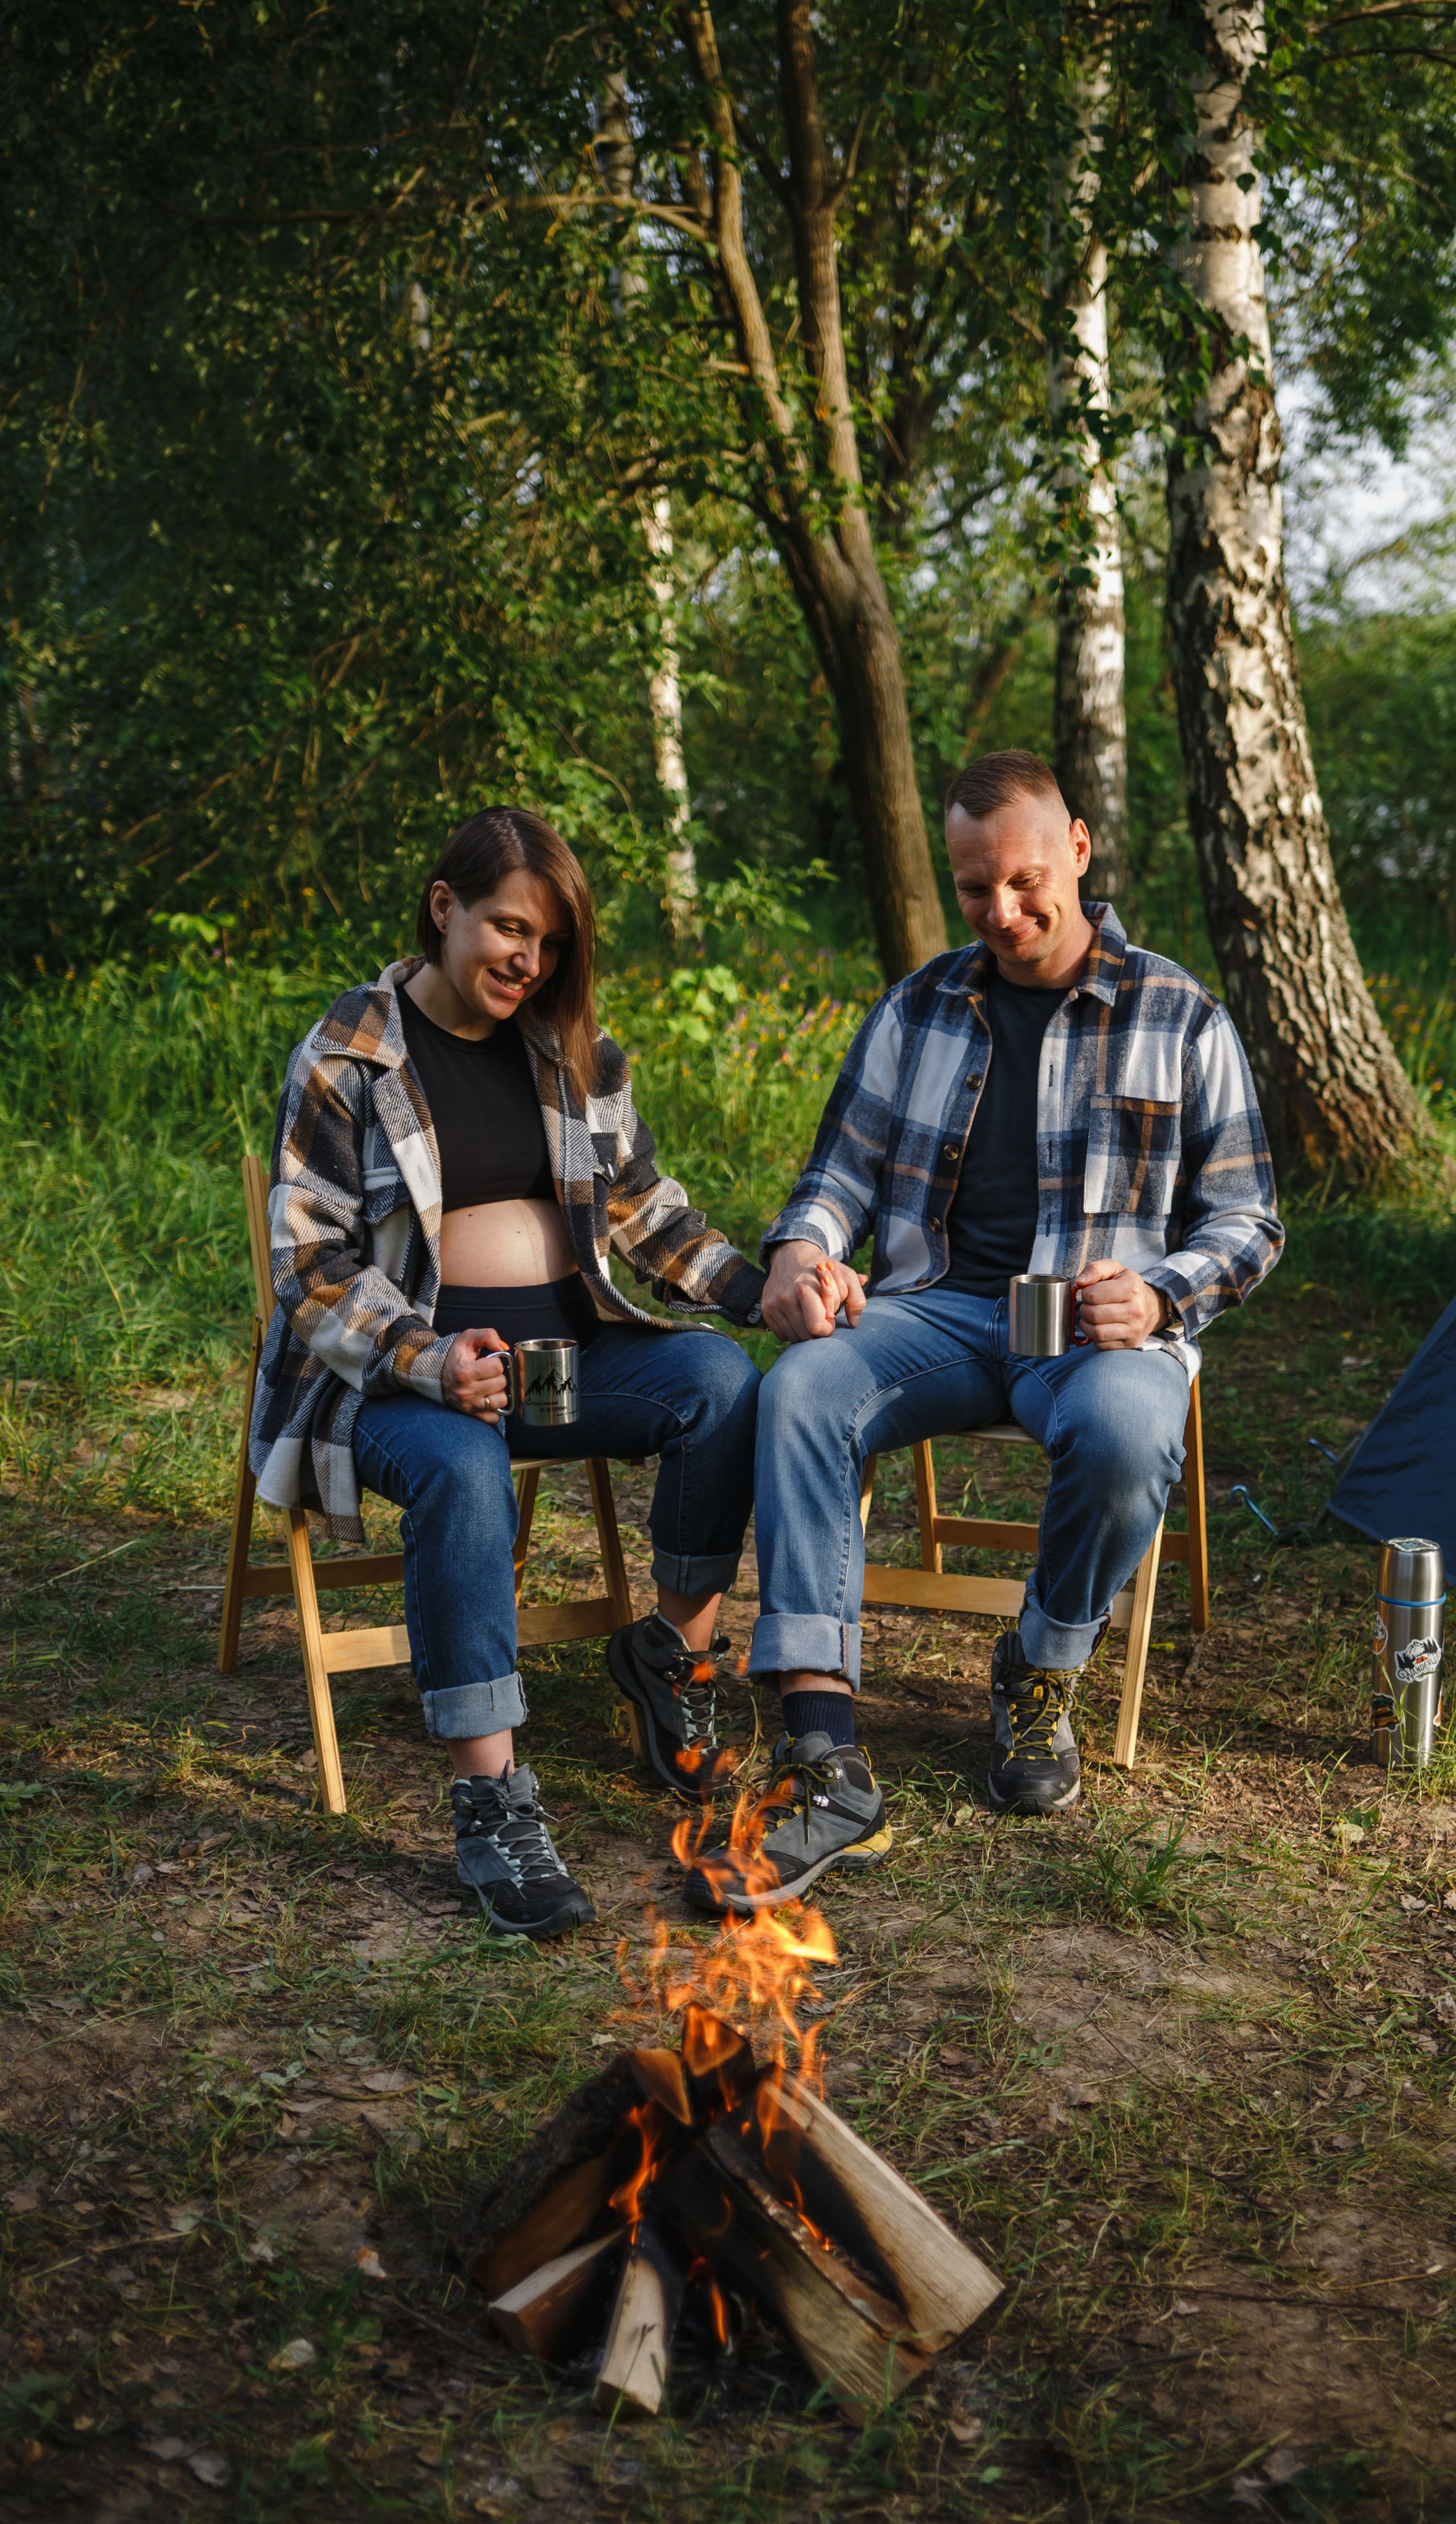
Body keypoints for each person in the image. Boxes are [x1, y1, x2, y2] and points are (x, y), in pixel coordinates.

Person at [689, 751, 1283, 1917]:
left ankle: (1042, 1668)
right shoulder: (920, 1004)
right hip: (938, 1311)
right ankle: (823, 1752)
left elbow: (1250, 1217)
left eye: (1022, 880)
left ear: (1078, 846)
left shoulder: (1179, 1013)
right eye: (973, 888)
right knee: (800, 1386)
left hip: (1096, 1331)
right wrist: (802, 1252)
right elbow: (837, 1174)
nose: (1001, 913)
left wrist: (1163, 1296)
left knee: (1124, 1433)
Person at [248, 807, 766, 1938]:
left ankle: (673, 1661)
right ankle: (492, 1801)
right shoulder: (349, 1057)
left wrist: (754, 1288)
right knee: (468, 1470)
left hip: (566, 1359)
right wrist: (431, 1361)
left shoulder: (574, 1054)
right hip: (393, 1384)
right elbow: (309, 1262)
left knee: (724, 1384)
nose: (528, 962)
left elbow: (646, 1212)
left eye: (551, 947)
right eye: (509, 930)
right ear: (446, 909)